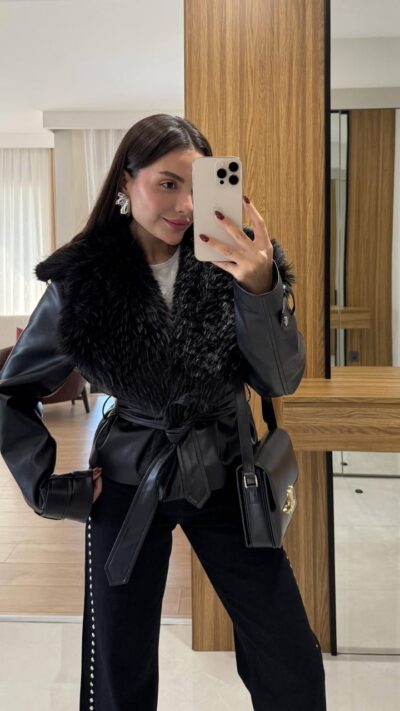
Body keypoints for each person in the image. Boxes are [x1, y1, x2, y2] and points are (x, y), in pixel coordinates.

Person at [0, 114, 326, 710]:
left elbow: (280, 379)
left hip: (229, 473)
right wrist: (49, 488)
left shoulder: (240, 260)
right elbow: (12, 391)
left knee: (290, 659)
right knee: (117, 668)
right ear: (127, 182)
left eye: (197, 186)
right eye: (168, 184)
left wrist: (261, 289)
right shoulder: (82, 279)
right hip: (127, 481)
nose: (186, 205)